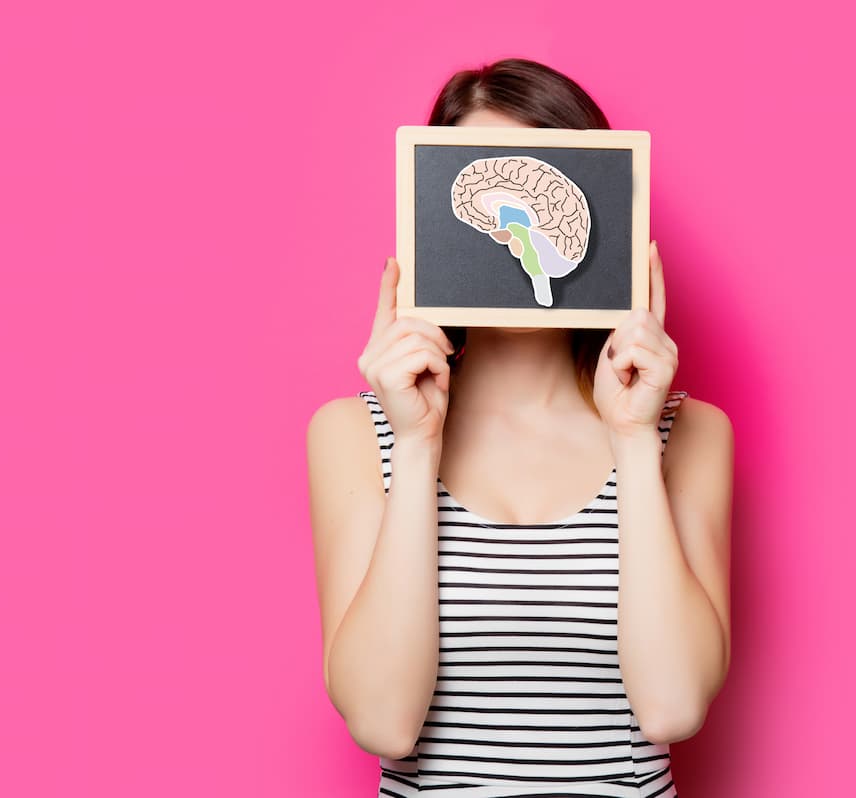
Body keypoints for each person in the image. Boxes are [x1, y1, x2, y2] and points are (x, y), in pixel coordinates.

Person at [307, 58, 733, 798]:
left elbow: (673, 707)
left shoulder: (685, 433)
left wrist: (634, 442)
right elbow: (382, 722)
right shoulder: (354, 433)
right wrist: (415, 448)